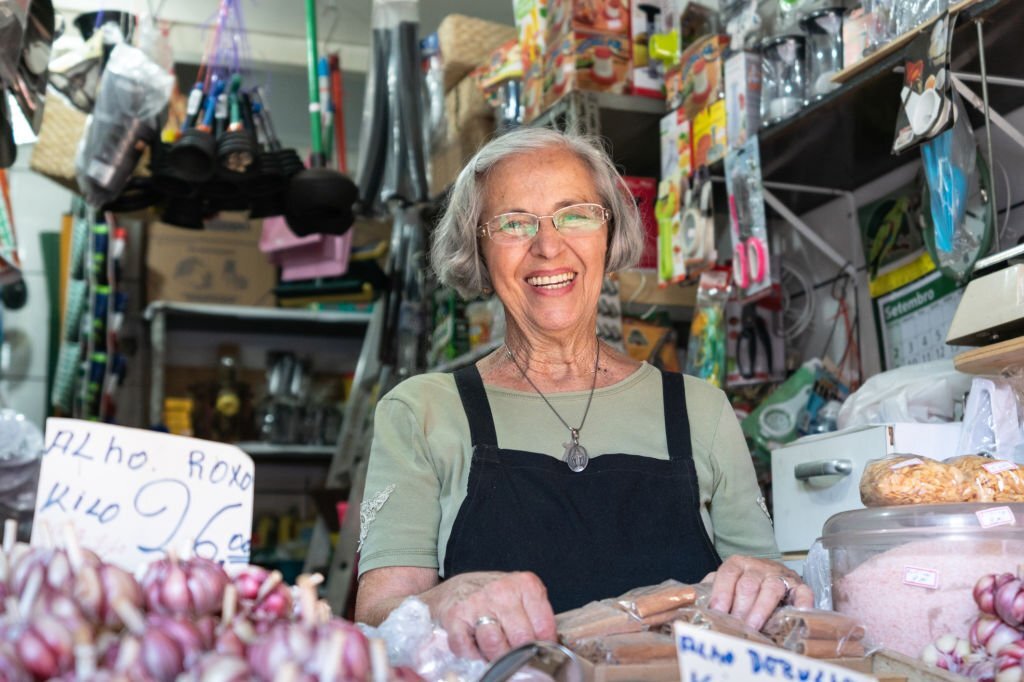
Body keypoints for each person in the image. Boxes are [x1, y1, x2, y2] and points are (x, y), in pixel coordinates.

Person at [354, 127, 812, 661]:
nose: (548, 246)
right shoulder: (422, 412)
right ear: (478, 249)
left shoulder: (699, 410)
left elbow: (774, 595)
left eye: (575, 215)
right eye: (513, 223)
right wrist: (446, 598)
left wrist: (771, 580)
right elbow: (377, 620)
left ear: (608, 232)